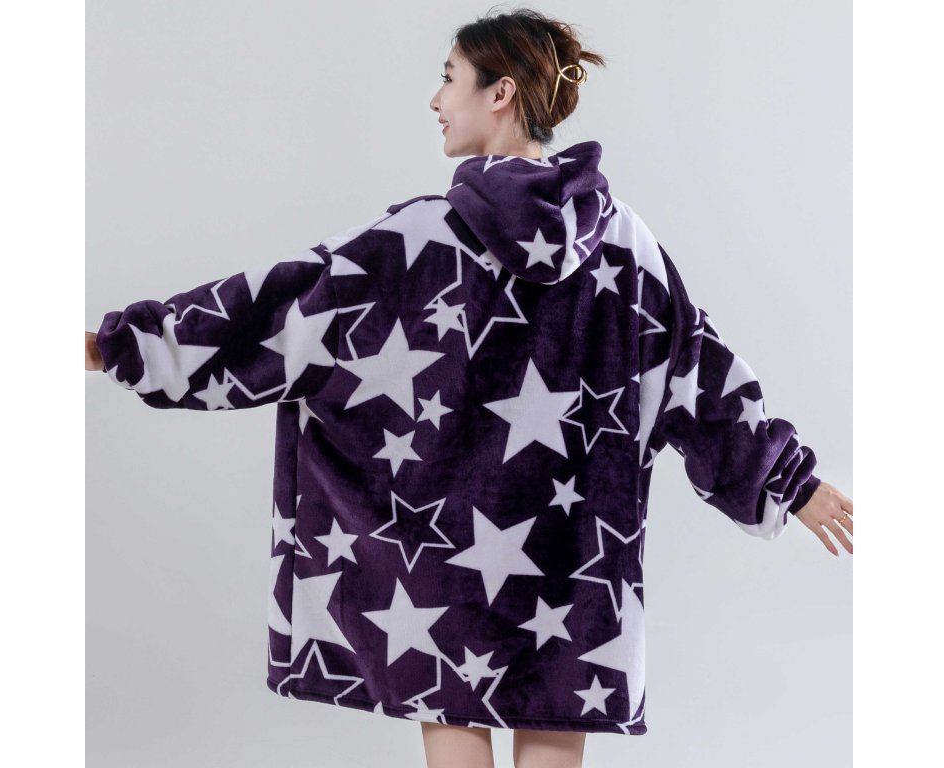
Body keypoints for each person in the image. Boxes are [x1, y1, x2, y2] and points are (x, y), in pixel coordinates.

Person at [85, 9, 852, 768]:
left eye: (450, 78)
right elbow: (698, 370)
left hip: (441, 565)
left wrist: (130, 347)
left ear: (500, 92)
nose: (436, 99)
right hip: (575, 564)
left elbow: (285, 311)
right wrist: (789, 482)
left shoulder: (417, 238)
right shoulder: (626, 246)